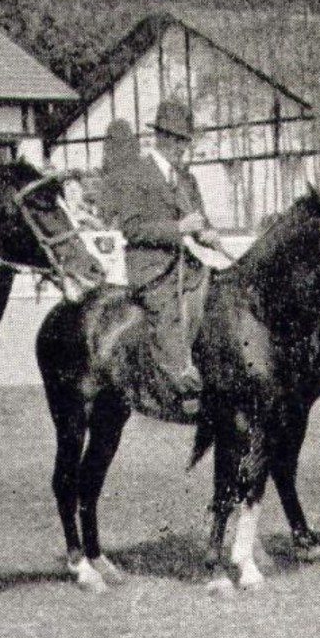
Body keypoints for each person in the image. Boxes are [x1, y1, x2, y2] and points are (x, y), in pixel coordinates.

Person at [101, 99, 222, 407]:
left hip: (185, 264)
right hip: (149, 269)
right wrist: (179, 227)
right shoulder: (135, 174)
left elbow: (198, 219)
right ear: (161, 138)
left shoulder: (187, 179)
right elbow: (132, 228)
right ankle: (180, 379)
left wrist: (206, 233)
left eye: (184, 140)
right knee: (169, 310)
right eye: (176, 138)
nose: (181, 146)